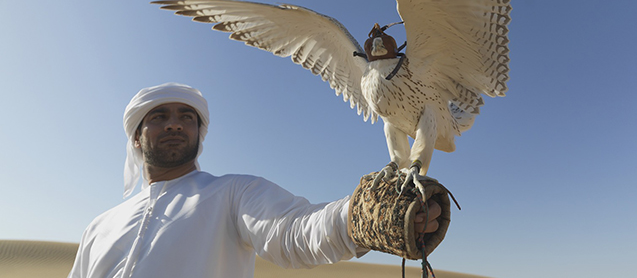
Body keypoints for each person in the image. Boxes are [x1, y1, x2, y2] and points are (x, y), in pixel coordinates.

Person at [68, 82, 441, 278]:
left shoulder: (233, 194)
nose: (174, 123)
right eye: (159, 115)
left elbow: (295, 232)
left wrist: (359, 218)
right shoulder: (98, 228)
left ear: (200, 132)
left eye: (187, 116)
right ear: (136, 135)